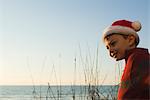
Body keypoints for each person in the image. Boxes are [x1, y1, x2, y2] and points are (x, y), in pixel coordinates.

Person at [102, 19, 150, 100]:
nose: (110, 51)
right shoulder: (133, 59)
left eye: (113, 43)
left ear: (130, 40)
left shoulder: (138, 58)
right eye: (107, 48)